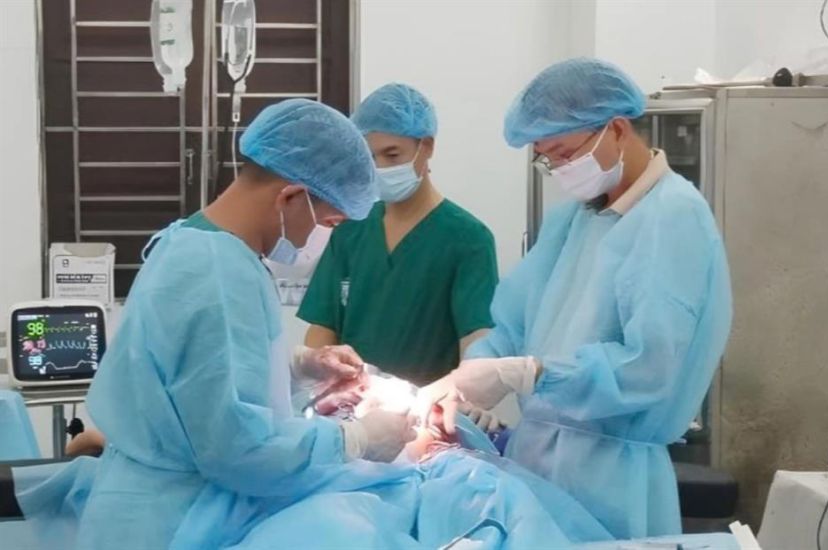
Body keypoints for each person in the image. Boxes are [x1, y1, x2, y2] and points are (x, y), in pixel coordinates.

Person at [70, 99, 416, 549]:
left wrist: (299, 369)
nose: (324, 240)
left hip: (152, 504)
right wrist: (357, 438)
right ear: (290, 196)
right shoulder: (218, 272)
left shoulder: (192, 241)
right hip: (174, 523)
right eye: (328, 223)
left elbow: (196, 383)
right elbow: (239, 450)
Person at [415, 58, 733, 540]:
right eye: (548, 158)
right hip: (536, 461)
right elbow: (512, 324)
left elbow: (649, 369)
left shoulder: (673, 217)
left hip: (614, 475)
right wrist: (470, 377)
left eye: (564, 153)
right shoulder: (575, 219)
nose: (558, 169)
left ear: (617, 129)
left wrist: (528, 375)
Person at [298, 83, 499, 387]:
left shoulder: (468, 238)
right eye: (371, 158)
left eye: (392, 154)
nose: (380, 168)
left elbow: (476, 338)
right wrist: (320, 384)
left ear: (426, 147)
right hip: (352, 408)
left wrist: (468, 396)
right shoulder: (352, 230)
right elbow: (323, 326)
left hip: (427, 412)